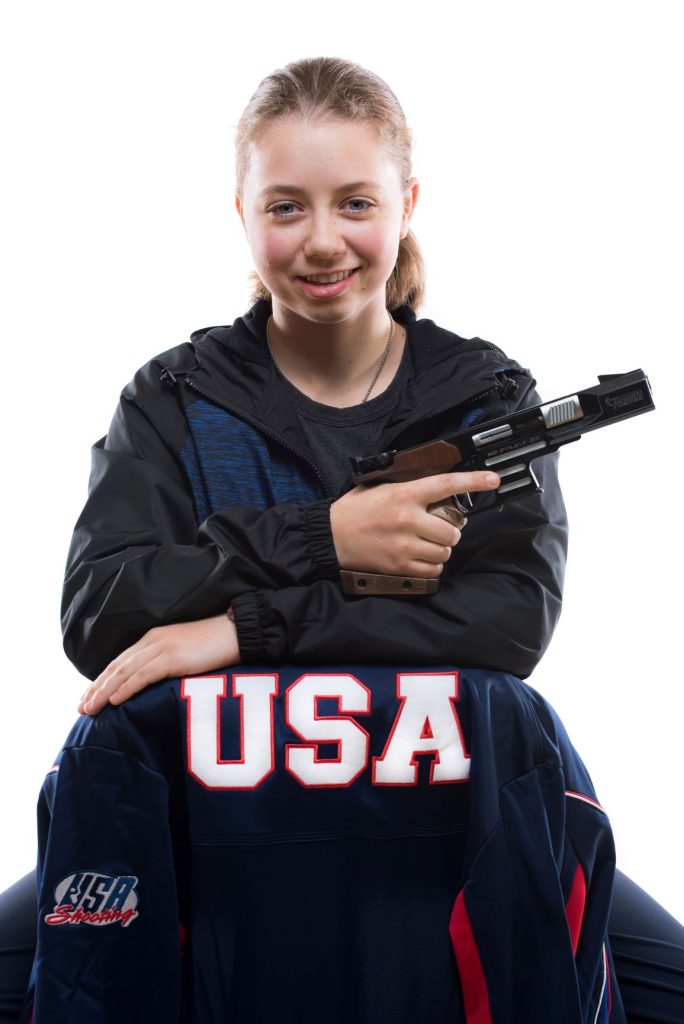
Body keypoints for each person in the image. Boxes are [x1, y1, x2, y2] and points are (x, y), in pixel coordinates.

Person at [1, 56, 682, 1022]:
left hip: (442, 821)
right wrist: (324, 536)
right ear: (240, 214)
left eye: (355, 203)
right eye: (286, 208)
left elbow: (506, 625)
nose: (324, 242)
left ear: (406, 203)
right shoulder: (175, 398)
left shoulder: (482, 396)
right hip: (202, 825)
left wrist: (242, 633)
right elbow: (102, 609)